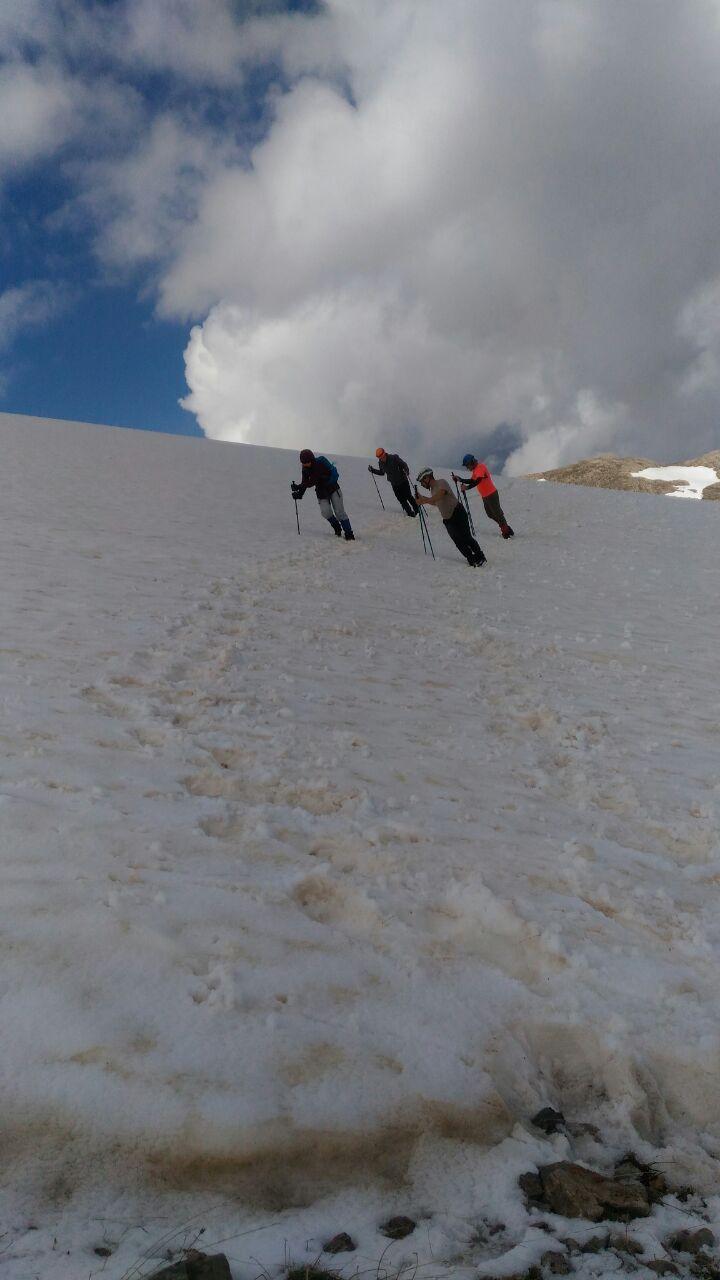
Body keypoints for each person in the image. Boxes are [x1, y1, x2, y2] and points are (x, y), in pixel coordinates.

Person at [415, 467, 486, 566]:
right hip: (448, 519)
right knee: (458, 541)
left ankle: (480, 556)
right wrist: (423, 499)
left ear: (427, 477)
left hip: (457, 513)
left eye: (422, 481)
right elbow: (436, 502)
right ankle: (471, 559)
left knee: (466, 537)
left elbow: (441, 494)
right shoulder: (432, 491)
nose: (422, 484)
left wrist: (425, 500)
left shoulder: (441, 483)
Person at [291, 449, 355, 540]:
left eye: (307, 462)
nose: (305, 464)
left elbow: (311, 481)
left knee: (339, 512)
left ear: (311, 460)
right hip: (321, 491)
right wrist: (299, 493)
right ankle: (337, 527)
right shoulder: (305, 468)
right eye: (303, 463)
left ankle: (349, 534)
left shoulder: (320, 462)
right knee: (326, 512)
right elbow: (305, 482)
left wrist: (298, 487)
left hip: (333, 488)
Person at [452, 454, 514, 538]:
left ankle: (505, 531)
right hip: (485, 496)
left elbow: (478, 481)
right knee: (490, 514)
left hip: (491, 494)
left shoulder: (480, 467)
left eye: (467, 465)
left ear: (471, 462)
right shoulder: (475, 470)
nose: (467, 468)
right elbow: (472, 480)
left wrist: (467, 488)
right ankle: (505, 526)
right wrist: (460, 479)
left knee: (497, 513)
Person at [368, 448, 419, 516]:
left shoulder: (394, 457)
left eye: (382, 456)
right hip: (394, 484)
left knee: (408, 496)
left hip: (403, 481)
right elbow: (382, 472)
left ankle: (417, 511)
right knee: (401, 499)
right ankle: (410, 513)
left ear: (384, 454)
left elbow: (404, 464)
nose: (381, 458)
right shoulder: (380, 463)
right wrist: (373, 470)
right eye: (379, 457)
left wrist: (406, 471)